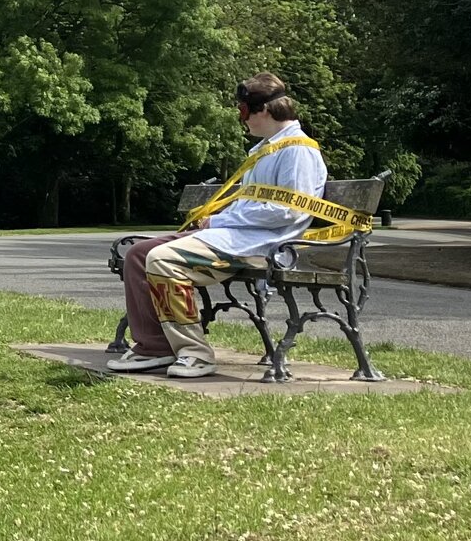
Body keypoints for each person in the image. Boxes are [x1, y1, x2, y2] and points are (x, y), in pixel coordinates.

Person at [109, 73, 328, 379]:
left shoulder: (297, 150)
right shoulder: (269, 149)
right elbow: (255, 205)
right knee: (138, 255)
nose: (243, 120)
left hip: (262, 247)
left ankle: (195, 354)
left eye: (243, 112)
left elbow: (289, 213)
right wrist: (216, 221)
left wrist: (219, 219)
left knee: (163, 260)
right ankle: (154, 346)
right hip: (232, 237)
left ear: (263, 110)